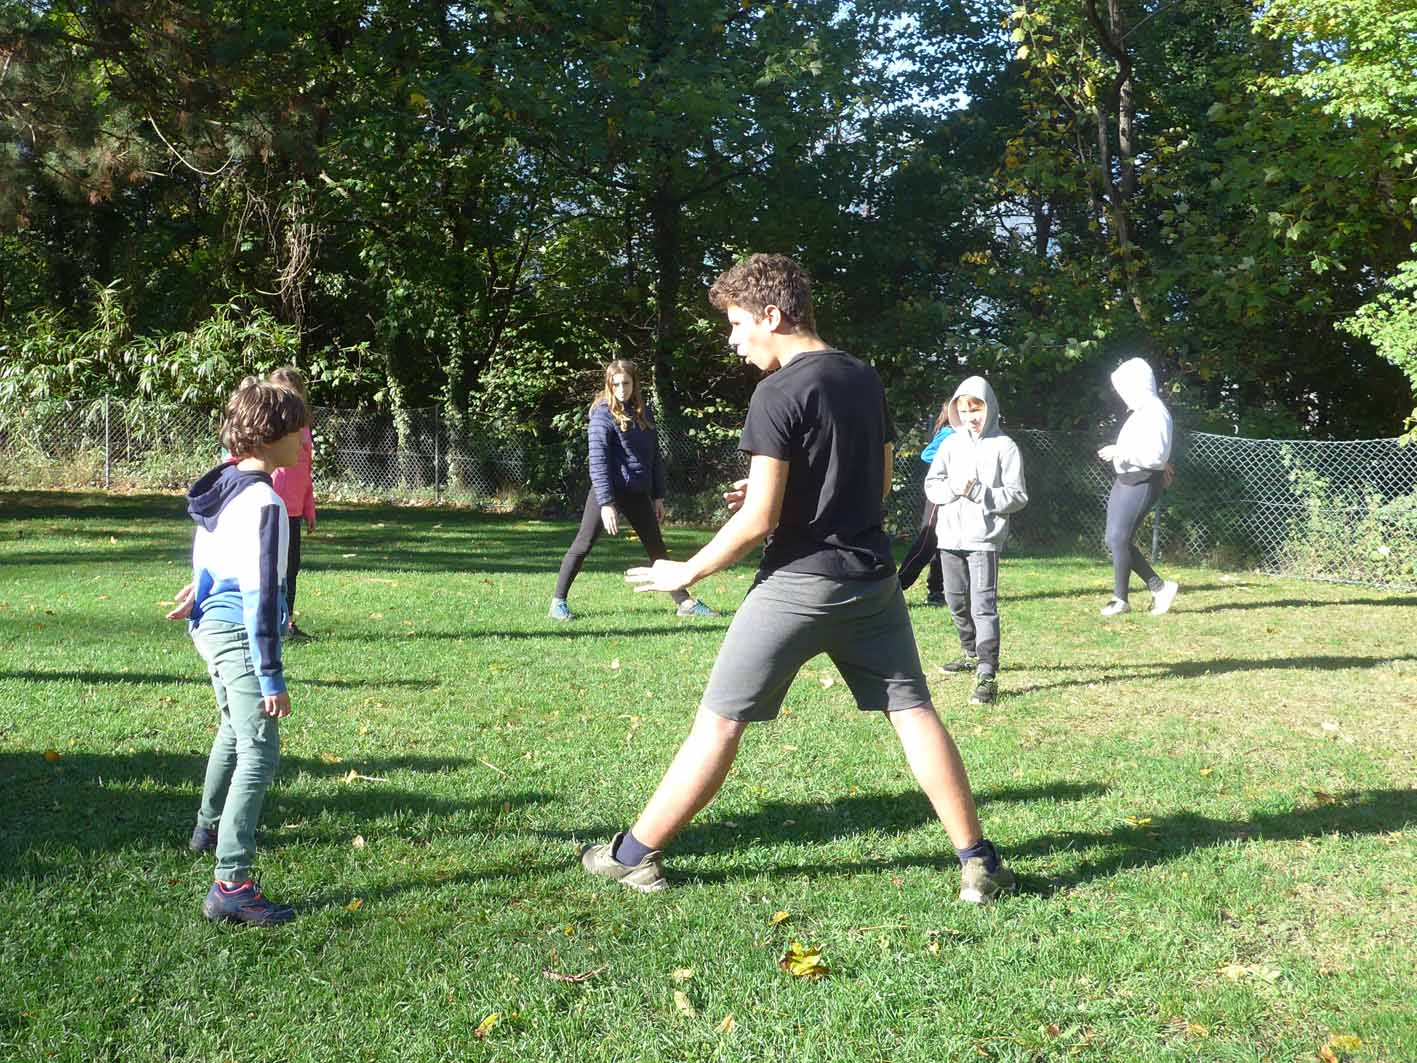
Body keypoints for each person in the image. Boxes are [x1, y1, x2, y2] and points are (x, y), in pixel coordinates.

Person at [581, 253, 1015, 904]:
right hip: (871, 582)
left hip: (797, 584)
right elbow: (877, 481)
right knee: (913, 712)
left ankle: (631, 857)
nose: (733, 341)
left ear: (771, 316)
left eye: (736, 325)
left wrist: (687, 568)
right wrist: (773, 491)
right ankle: (978, 862)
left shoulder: (776, 392)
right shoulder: (863, 376)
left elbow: (760, 520)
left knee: (719, 723)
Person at [165, 378, 307, 926]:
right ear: (271, 436)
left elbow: (208, 552)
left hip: (209, 625)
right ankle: (232, 884)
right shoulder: (266, 501)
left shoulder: (224, 482)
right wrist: (271, 675)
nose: (304, 441)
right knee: (260, 749)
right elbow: (261, 594)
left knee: (233, 726)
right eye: (297, 431)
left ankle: (207, 827)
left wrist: (198, 591)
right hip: (238, 633)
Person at [549, 359, 716, 621]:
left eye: (626, 383)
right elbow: (598, 463)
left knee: (657, 550)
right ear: (608, 385)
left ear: (634, 384)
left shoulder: (643, 413)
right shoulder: (602, 416)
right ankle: (558, 602)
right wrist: (607, 503)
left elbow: (654, 457)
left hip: (638, 493)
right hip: (609, 492)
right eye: (615, 384)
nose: (621, 389)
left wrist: (658, 496)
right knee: (582, 545)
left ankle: (684, 603)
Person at [923, 377, 1028, 706]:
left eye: (976, 409)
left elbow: (1018, 496)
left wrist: (980, 492)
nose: (970, 416)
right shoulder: (950, 444)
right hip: (949, 539)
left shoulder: (1005, 447)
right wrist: (953, 489)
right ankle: (970, 653)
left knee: (983, 606)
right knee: (955, 601)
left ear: (989, 407)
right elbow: (932, 485)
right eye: (964, 410)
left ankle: (987, 672)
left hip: (984, 540)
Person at [1097, 357, 1179, 617]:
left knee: (1119, 539)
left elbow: (1156, 456)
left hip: (1142, 481)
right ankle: (1159, 588)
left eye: (1125, 389)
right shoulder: (1142, 412)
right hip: (1126, 480)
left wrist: (1119, 452)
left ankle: (1121, 599)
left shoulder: (1156, 412)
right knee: (1113, 539)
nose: (1123, 395)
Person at [267, 366, 317, 642]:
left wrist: (309, 507)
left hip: (295, 510)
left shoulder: (303, 428)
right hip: (273, 507)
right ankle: (268, 620)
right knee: (271, 567)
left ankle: (286, 622)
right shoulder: (271, 426)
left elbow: (306, 469)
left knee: (290, 568)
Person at [897, 401, 954, 604]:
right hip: (939, 495)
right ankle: (897, 585)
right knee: (927, 541)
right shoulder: (949, 433)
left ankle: (936, 591)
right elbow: (927, 454)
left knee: (946, 543)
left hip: (957, 497)